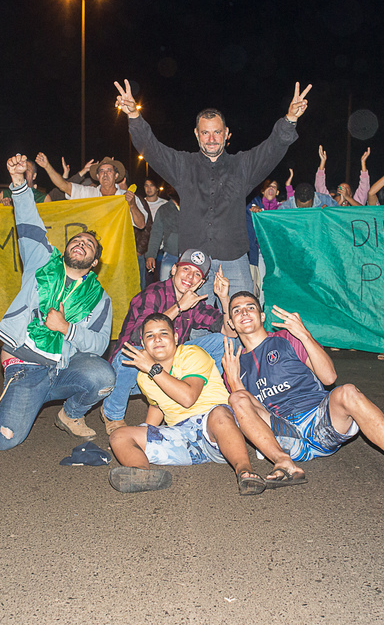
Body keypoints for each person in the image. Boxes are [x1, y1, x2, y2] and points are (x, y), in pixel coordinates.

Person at [0, 154, 115, 448]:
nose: (80, 243)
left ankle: (70, 415)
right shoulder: (42, 261)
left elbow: (99, 345)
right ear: (67, 247)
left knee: (103, 377)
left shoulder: (100, 298)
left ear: (94, 262)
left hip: (62, 367)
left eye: (88, 245)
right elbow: (29, 223)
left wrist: (66, 329)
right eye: (77, 239)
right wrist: (19, 182)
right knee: (4, 439)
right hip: (25, 364)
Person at [115, 78, 311, 301]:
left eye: (217, 132)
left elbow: (271, 148)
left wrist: (291, 119)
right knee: (197, 326)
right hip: (193, 264)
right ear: (197, 134)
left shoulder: (243, 166)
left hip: (234, 260)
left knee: (243, 320)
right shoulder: (182, 165)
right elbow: (152, 149)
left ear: (226, 134)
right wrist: (134, 117)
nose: (211, 139)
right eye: (205, 133)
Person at [221, 292, 384, 497]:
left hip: (320, 421)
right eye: (237, 310)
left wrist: (304, 334)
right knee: (236, 398)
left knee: (347, 391)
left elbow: (329, 378)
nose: (244, 313)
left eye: (250, 307)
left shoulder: (286, 339)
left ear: (262, 316)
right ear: (231, 323)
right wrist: (235, 382)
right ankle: (283, 463)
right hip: (284, 434)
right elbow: (248, 417)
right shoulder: (232, 365)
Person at [107, 313, 265, 494]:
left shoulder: (192, 354)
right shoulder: (144, 377)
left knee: (219, 414)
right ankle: (142, 473)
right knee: (119, 436)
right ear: (143, 344)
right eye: (149, 336)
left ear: (175, 337)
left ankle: (244, 471)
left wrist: (152, 368)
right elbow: (157, 405)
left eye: (163, 334)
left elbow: (188, 398)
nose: (157, 339)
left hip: (217, 430)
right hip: (183, 440)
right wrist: (142, 434)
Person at [102, 249, 231, 434]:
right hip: (131, 369)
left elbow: (229, 332)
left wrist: (224, 298)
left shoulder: (195, 302)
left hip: (167, 366)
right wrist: (179, 307)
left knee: (224, 342)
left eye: (197, 274)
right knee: (135, 351)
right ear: (173, 270)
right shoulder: (154, 293)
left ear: (202, 283)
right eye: (186, 269)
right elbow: (137, 337)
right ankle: (112, 413)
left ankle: (190, 390)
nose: (190, 277)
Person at [146, 192, 181, 282]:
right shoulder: (164, 209)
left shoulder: (193, 207)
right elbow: (156, 233)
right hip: (170, 255)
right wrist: (151, 255)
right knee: (165, 288)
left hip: (190, 257)